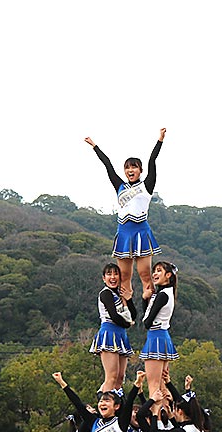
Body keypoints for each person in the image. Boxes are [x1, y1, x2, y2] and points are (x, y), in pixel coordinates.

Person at [84, 128, 166, 300]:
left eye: (134, 167)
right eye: (127, 167)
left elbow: (153, 160)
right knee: (124, 277)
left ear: (140, 170)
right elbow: (107, 165)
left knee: (144, 274)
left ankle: (149, 306)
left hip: (141, 232)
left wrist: (160, 140)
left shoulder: (146, 186)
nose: (130, 170)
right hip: (123, 233)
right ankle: (126, 311)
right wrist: (94, 146)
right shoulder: (119, 186)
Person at [91, 263, 138, 392]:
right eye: (109, 274)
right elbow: (114, 315)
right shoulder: (105, 294)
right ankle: (103, 404)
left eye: (116, 274)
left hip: (121, 335)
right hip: (109, 333)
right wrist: (127, 324)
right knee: (111, 377)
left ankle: (114, 405)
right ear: (103, 278)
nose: (113, 277)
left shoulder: (120, 294)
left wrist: (128, 299)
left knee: (120, 378)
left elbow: (133, 315)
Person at [140, 261, 179, 407]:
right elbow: (148, 315)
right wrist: (146, 299)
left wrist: (147, 299)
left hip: (155, 337)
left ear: (168, 275)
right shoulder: (166, 293)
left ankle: (155, 420)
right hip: (162, 336)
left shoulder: (162, 295)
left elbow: (147, 321)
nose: (155, 274)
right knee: (162, 385)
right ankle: (165, 418)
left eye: (159, 271)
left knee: (154, 385)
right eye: (154, 271)